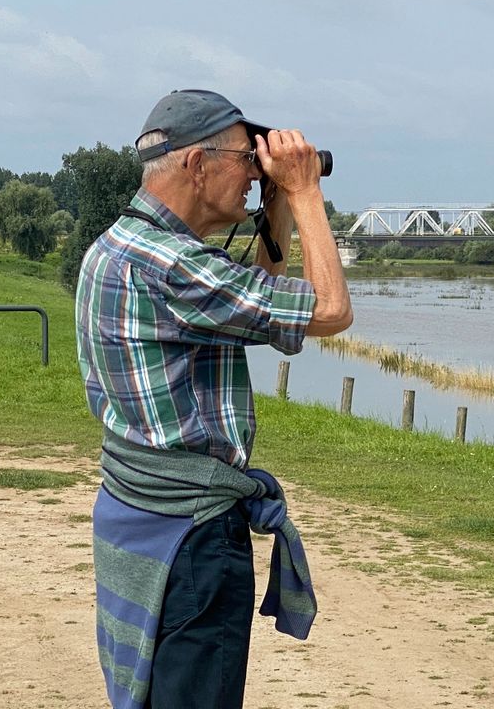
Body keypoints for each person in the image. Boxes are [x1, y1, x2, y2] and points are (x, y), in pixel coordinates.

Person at [75, 89, 352, 708]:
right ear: (196, 164)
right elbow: (331, 311)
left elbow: (260, 312)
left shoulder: (117, 247)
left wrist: (274, 212)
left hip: (137, 514)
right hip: (192, 538)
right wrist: (306, 192)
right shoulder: (176, 266)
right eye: (244, 160)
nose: (256, 174)